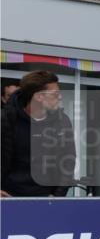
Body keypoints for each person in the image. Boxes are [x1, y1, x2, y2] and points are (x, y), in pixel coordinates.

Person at [1, 70, 75, 198]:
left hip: (46, 200)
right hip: (8, 199)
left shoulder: (62, 121)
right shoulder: (6, 119)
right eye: (55, 94)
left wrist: (57, 196)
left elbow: (68, 162)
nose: (60, 97)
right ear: (39, 96)